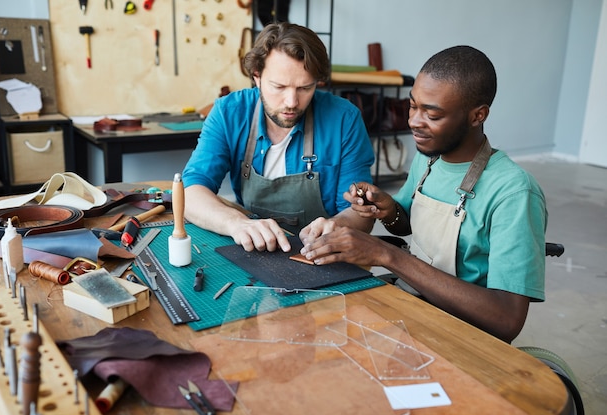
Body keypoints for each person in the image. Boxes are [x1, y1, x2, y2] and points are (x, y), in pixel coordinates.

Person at [299, 45, 547, 343]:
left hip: (464, 334)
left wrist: (385, 254)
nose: (414, 121)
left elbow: (506, 320)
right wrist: (389, 209)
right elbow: (408, 226)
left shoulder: (514, 192)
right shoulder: (429, 159)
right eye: (413, 106)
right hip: (412, 302)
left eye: (432, 114)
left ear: (477, 116)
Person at [182, 22, 375, 253]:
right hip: (253, 251)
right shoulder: (229, 112)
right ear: (257, 77)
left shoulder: (344, 119)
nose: (292, 102)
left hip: (321, 253)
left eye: (305, 88)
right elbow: (190, 192)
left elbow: (359, 212)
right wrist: (236, 223)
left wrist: (338, 224)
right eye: (279, 86)